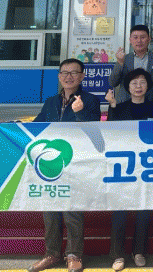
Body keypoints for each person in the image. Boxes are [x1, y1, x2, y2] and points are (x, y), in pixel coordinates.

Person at [29, 58, 101, 272]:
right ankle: (52, 254)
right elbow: (37, 126)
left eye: (74, 72)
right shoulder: (51, 101)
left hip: (76, 161)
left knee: (72, 211)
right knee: (50, 210)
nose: (69, 76)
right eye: (65, 73)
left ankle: (74, 255)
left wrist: (80, 112)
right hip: (51, 163)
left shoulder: (91, 100)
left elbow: (94, 131)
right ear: (59, 76)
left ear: (82, 76)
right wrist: (13, 129)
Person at [105, 69, 153, 271]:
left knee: (143, 210)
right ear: (128, 87)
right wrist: (112, 106)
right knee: (120, 211)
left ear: (148, 86)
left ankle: (139, 251)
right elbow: (111, 133)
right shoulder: (119, 107)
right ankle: (118, 254)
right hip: (123, 166)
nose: (138, 86)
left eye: (142, 82)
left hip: (146, 166)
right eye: (134, 83)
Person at [109, 24, 153, 116]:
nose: (139, 41)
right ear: (130, 40)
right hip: (125, 107)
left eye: (143, 37)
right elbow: (113, 82)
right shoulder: (124, 58)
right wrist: (120, 63)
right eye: (135, 37)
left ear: (149, 39)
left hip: (151, 108)